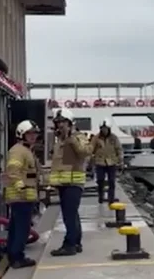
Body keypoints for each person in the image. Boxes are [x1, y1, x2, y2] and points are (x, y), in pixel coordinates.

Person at [48, 109, 91, 256]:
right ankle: (76, 242)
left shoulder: (78, 137)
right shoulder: (60, 140)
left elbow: (84, 152)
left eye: (63, 122)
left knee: (69, 215)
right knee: (71, 214)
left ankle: (70, 244)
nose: (60, 125)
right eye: (58, 122)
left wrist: (71, 138)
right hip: (63, 183)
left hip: (73, 182)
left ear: (70, 123)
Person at [4, 120, 41, 269]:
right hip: (21, 196)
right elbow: (13, 170)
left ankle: (13, 254)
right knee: (22, 229)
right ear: (21, 135)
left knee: (16, 228)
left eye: (35, 133)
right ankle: (17, 257)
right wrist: (22, 187)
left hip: (24, 196)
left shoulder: (25, 150)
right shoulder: (19, 151)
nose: (33, 136)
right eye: (29, 134)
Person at [92, 122, 123, 204]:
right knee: (100, 181)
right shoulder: (96, 138)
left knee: (111, 181)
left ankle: (111, 198)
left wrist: (120, 160)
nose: (104, 130)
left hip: (111, 162)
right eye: (102, 128)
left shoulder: (114, 138)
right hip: (100, 162)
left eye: (105, 128)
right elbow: (91, 149)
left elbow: (119, 149)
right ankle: (101, 196)